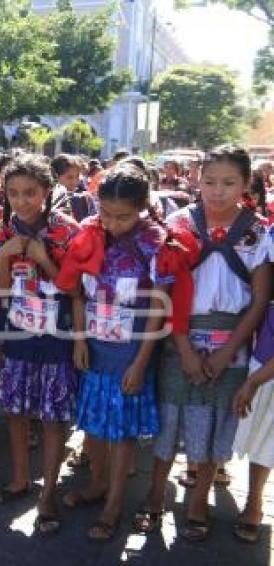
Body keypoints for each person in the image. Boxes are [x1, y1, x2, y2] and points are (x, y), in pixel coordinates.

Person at [138, 145, 272, 542]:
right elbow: (166, 288)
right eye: (210, 181)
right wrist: (182, 347)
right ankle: (155, 495)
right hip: (180, 337)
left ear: (246, 184)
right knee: (170, 420)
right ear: (197, 178)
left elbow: (261, 299)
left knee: (217, 425)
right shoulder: (179, 223)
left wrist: (230, 350)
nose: (218, 191)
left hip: (233, 341)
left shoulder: (259, 232)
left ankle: (198, 503)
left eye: (229, 183)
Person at [56, 164, 194, 540]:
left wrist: (141, 362)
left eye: (124, 216)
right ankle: (98, 483)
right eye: (106, 214)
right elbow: (79, 293)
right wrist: (81, 340)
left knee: (122, 433)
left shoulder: (156, 244)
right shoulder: (90, 235)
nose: (114, 223)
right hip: (96, 346)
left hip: (131, 353)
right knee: (96, 424)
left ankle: (115, 502)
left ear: (143, 208)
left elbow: (159, 308)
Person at [0, 154, 80, 537]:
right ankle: (21, 479)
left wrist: (44, 259)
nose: (22, 201)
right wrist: (6, 260)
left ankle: (49, 493)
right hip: (19, 332)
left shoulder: (69, 232)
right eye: (13, 193)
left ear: (46, 191)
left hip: (58, 334)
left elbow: (77, 290)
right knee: (17, 411)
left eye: (30, 192)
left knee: (54, 416)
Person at [232, 292, 274, 543]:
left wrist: (254, 382)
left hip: (264, 371)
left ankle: (254, 501)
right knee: (258, 433)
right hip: (260, 355)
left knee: (267, 438)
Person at [50, 154, 96, 222]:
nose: (75, 181)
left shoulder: (86, 199)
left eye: (77, 176)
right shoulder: (50, 200)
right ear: (55, 177)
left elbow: (93, 221)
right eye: (69, 177)